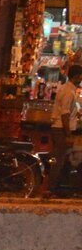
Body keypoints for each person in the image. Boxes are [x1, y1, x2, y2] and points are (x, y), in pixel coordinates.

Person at [43, 63, 82, 197]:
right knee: (59, 160)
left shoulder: (69, 90)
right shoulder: (67, 92)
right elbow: (65, 114)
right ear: (76, 77)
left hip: (62, 129)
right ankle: (50, 189)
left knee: (63, 159)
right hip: (61, 130)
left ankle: (60, 188)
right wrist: (68, 134)